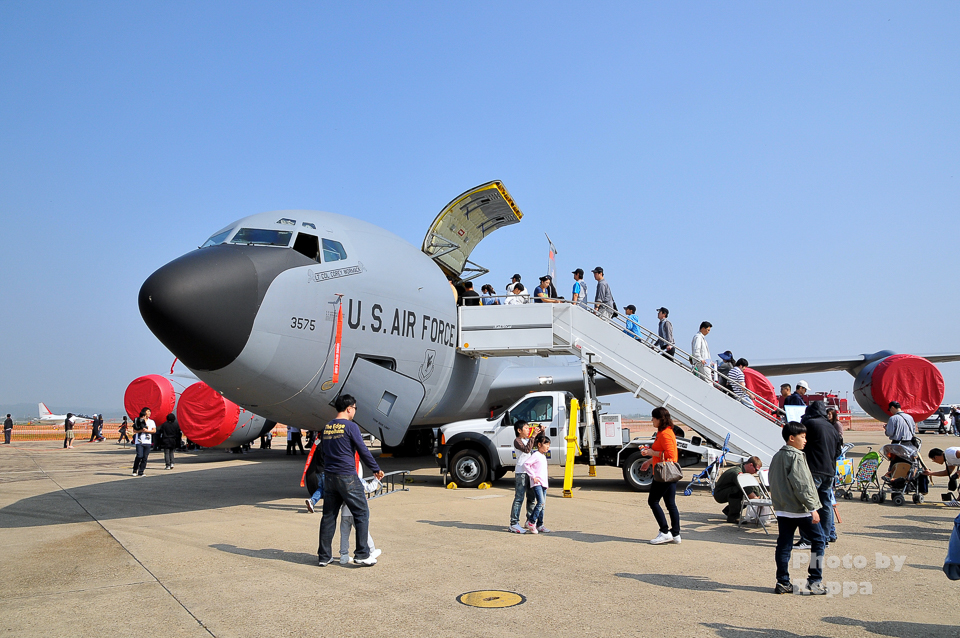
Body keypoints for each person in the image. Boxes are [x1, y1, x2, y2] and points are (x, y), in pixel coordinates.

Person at [317, 394, 384, 567]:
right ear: (349, 408)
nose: (355, 411)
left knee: (328, 516)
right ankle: (362, 553)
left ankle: (324, 556)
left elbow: (322, 452)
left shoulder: (327, 427)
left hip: (330, 477)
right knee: (361, 512)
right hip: (347, 476)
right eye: (355, 408)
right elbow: (363, 450)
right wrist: (376, 469)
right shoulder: (351, 427)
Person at [769, 420, 827, 595]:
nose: (805, 440)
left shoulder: (777, 456)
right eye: (802, 437)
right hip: (800, 509)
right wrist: (812, 508)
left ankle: (783, 581)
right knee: (819, 541)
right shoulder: (796, 456)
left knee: (784, 545)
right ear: (791, 438)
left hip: (783, 508)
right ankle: (815, 581)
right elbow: (802, 485)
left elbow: (773, 481)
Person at [797, 401, 841, 548]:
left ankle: (808, 539)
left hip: (813, 469)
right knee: (826, 504)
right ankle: (825, 537)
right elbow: (838, 451)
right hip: (829, 471)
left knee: (807, 503)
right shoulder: (832, 427)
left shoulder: (809, 424)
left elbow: (800, 444)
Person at [640, 407, 681, 545]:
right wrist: (649, 461)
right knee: (670, 504)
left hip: (664, 473)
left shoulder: (665, 434)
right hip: (667, 472)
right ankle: (675, 534)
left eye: (653, 418)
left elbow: (670, 455)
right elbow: (661, 452)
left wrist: (651, 453)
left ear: (659, 419)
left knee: (653, 501)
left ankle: (664, 531)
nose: (651, 420)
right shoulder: (664, 432)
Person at [508, 420, 539, 534]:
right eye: (526, 428)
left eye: (528, 428)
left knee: (531, 498)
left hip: (530, 472)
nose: (528, 430)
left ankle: (529, 521)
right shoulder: (517, 441)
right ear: (519, 430)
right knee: (519, 498)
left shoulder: (527, 440)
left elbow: (538, 444)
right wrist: (533, 436)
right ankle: (514, 523)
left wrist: (541, 433)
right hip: (521, 472)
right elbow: (527, 449)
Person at [712, 456, 763, 523]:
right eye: (756, 470)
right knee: (739, 491)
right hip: (719, 494)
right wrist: (755, 499)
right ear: (751, 465)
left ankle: (729, 510)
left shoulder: (745, 473)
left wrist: (757, 495)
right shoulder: (737, 473)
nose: (756, 472)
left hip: (727, 490)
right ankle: (733, 517)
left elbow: (753, 487)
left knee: (748, 493)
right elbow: (745, 488)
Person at [522, 434, 551, 534]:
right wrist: (533, 476)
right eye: (546, 444)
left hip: (543, 483)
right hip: (537, 483)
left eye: (549, 445)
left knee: (542, 505)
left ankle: (540, 524)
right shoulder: (536, 455)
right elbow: (526, 464)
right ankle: (531, 521)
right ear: (539, 444)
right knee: (540, 502)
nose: (548, 447)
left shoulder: (542, 456)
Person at [131, 408, 156, 476]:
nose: (149, 413)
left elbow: (154, 431)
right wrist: (141, 430)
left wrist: (147, 431)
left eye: (150, 411)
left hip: (147, 442)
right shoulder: (138, 420)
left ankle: (141, 471)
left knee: (145, 457)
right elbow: (134, 431)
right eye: (148, 411)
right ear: (144, 413)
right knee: (139, 456)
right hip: (139, 442)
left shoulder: (151, 422)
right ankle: (135, 469)